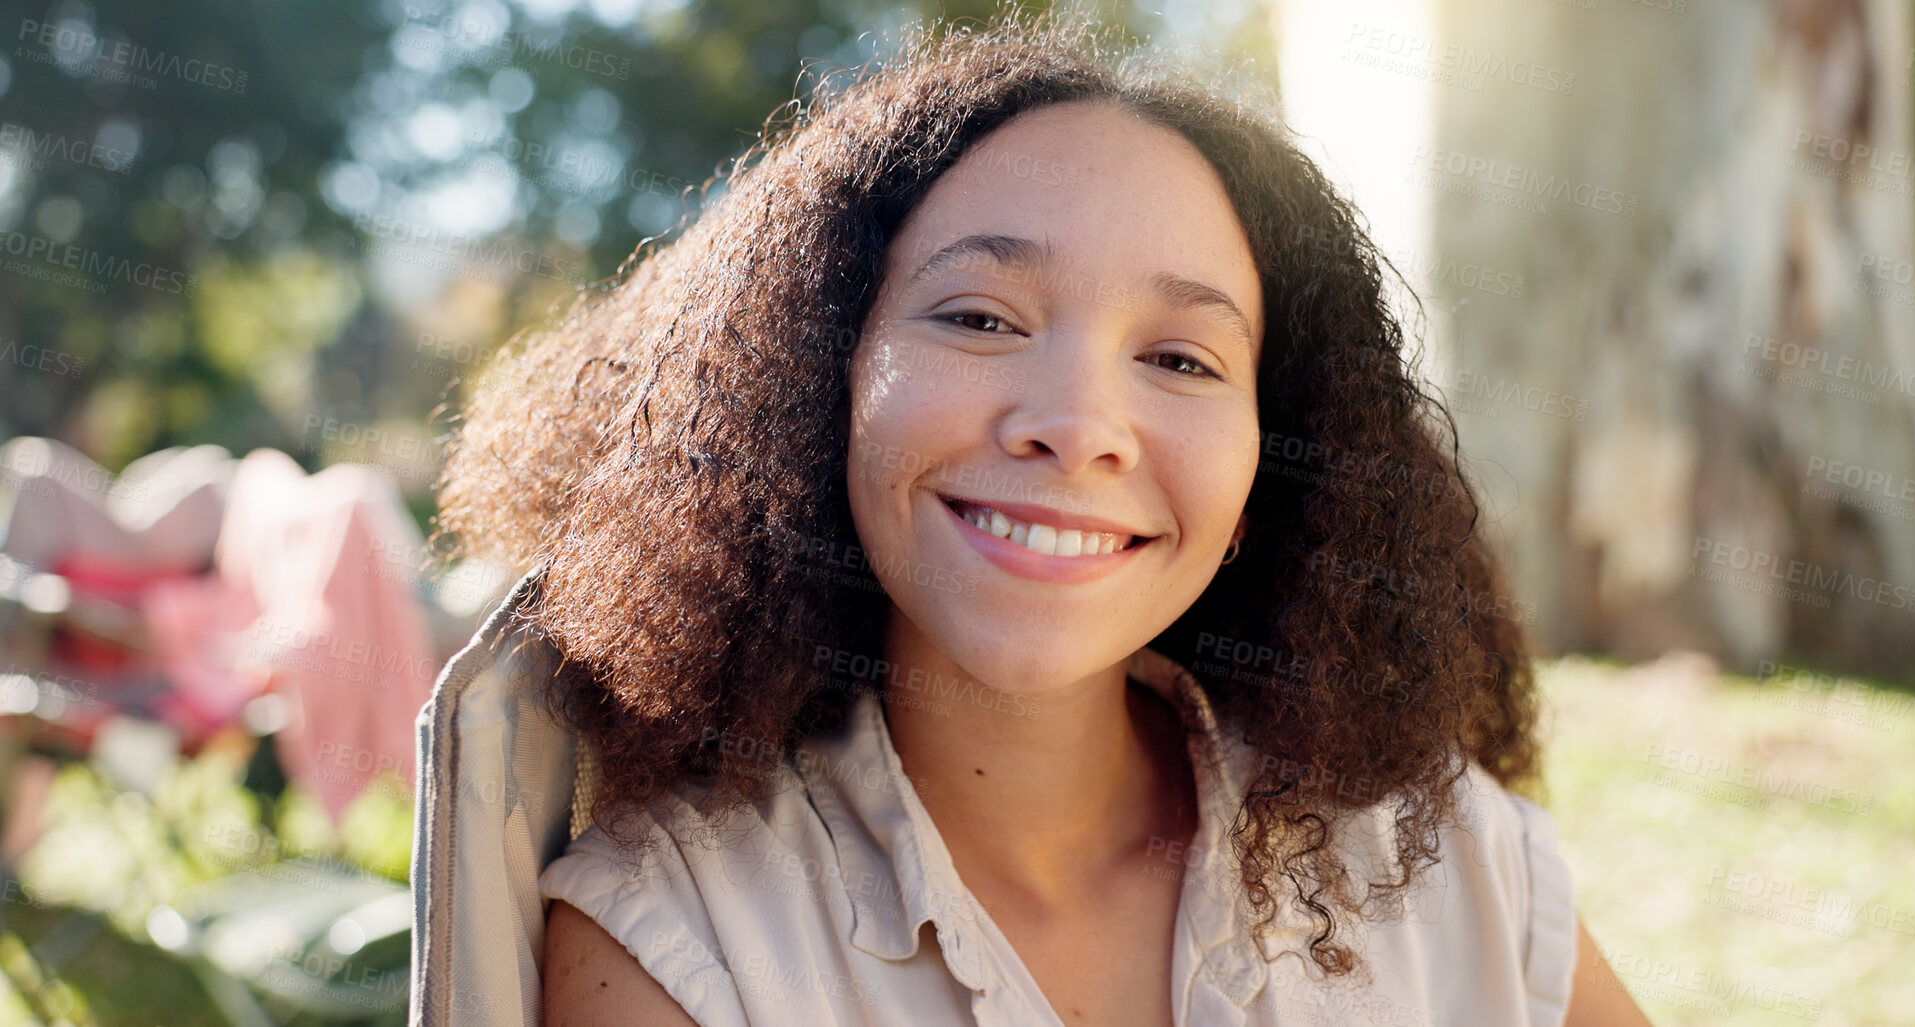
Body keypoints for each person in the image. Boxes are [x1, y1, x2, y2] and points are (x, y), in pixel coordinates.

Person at [434, 9, 1655, 1026]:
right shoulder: (672, 941)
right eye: (978, 317)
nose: (1078, 424)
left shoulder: (1440, 858)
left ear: (1261, 481)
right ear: (818, 384)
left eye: (1180, 360)